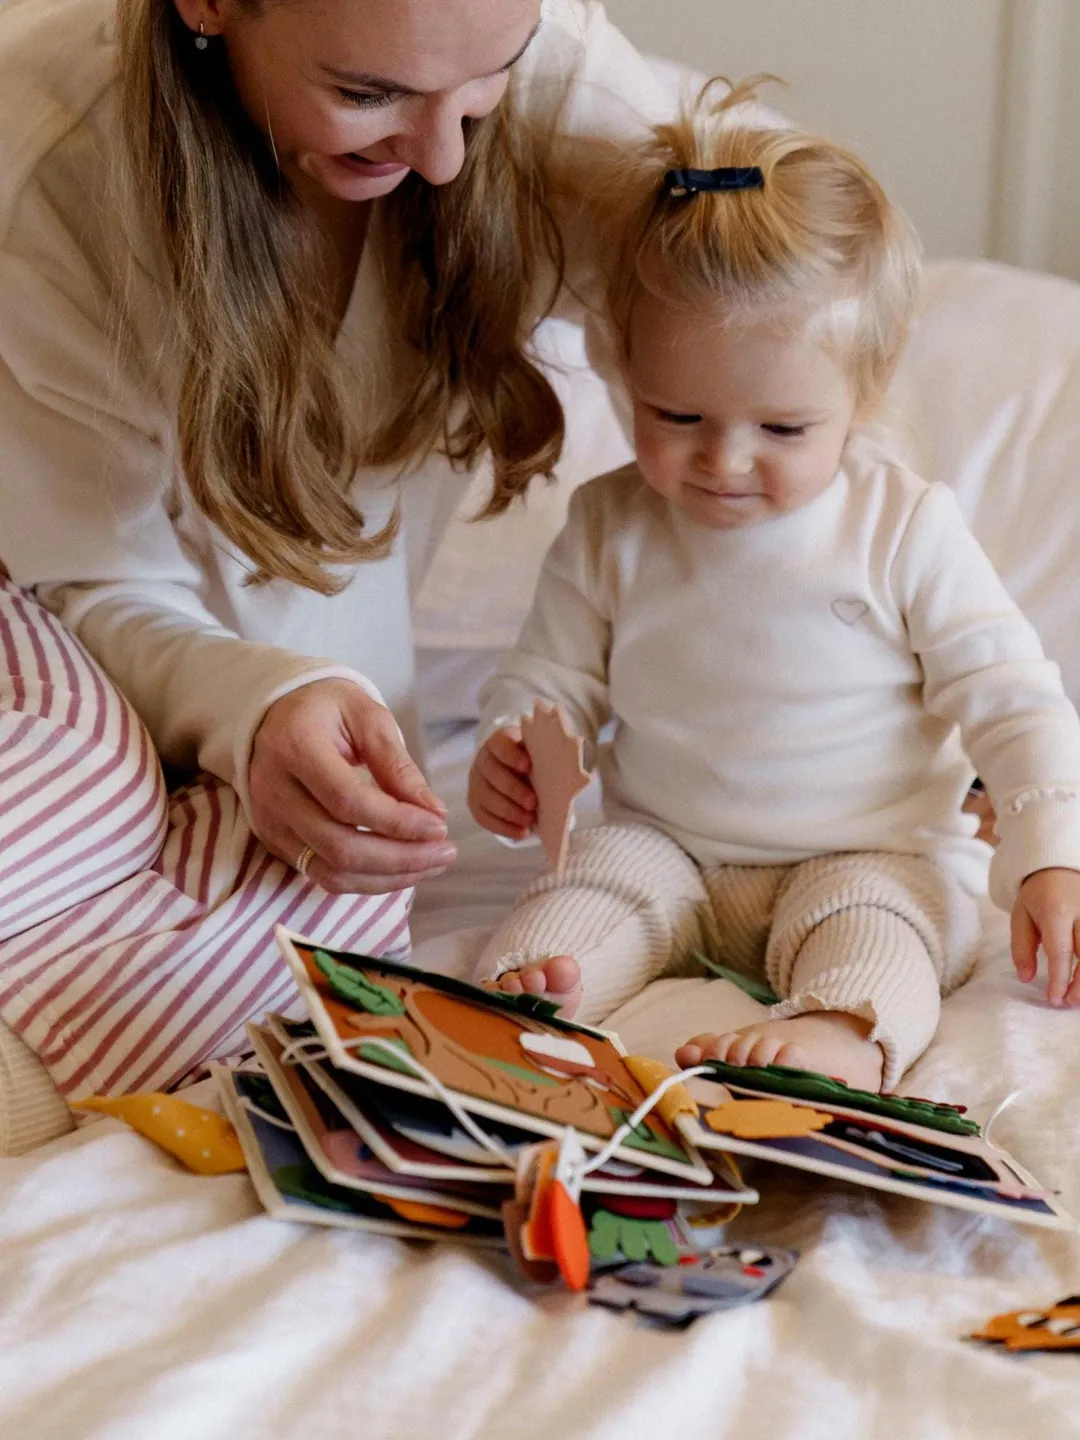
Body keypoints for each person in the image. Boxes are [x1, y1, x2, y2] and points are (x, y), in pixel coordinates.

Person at [0, 0, 676, 1152]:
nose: (447, 156)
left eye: (486, 84)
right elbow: (90, 578)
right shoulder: (54, 177)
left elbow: (778, 333)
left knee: (315, 946)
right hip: (80, 677)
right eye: (369, 95)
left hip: (299, 767)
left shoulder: (548, 68)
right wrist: (254, 709)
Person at [467, 81, 1080, 1093]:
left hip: (868, 850)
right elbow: (552, 676)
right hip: (668, 844)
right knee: (587, 893)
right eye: (675, 416)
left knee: (887, 928)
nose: (726, 460)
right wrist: (514, 744)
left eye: (783, 429)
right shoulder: (611, 523)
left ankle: (843, 1030)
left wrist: (1051, 847)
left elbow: (1012, 698)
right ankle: (540, 1000)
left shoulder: (901, 527)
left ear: (864, 392)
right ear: (622, 375)